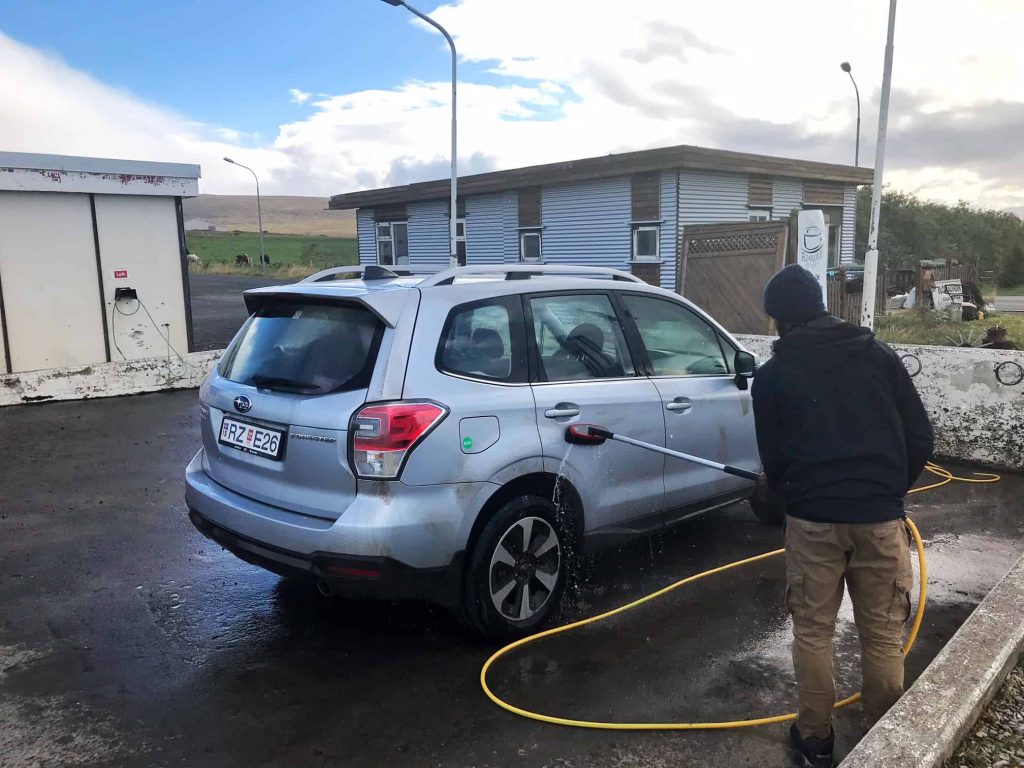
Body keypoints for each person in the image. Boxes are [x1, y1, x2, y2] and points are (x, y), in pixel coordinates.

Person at [751, 264, 934, 768]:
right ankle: (883, 739)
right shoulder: (878, 357)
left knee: (814, 631)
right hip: (879, 518)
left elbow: (776, 464)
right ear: (821, 308)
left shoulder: (770, 378)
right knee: (881, 631)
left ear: (780, 322)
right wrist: (886, 493)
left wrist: (790, 494)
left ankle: (814, 740)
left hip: (813, 521)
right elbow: (921, 437)